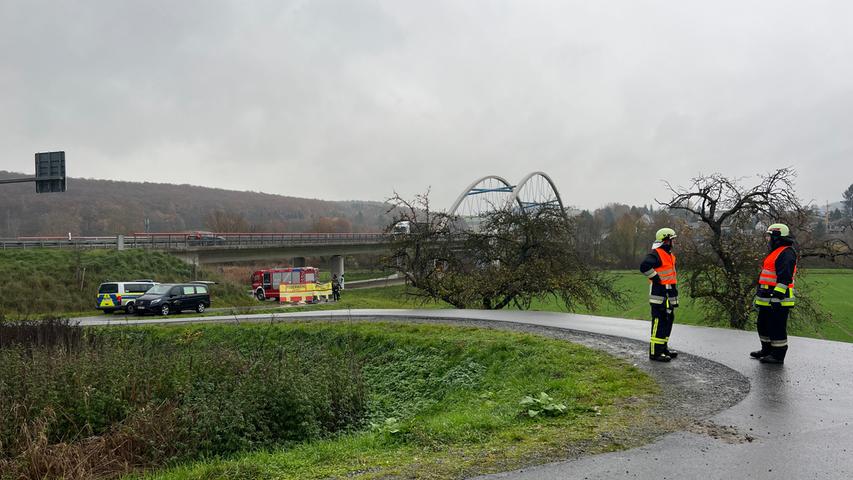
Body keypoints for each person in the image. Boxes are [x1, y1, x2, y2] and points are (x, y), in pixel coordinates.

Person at [751, 223, 798, 364]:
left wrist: (777, 297)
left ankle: (778, 355)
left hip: (779, 300)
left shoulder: (787, 253)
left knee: (776, 327)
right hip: (766, 298)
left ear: (777, 237)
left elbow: (785, 278)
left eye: (770, 236)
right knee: (763, 325)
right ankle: (767, 350)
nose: (768, 239)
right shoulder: (776, 252)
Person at [640, 227, 680, 362]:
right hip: (659, 296)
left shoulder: (669, 255)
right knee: (659, 323)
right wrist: (656, 278)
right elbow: (644, 266)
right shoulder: (656, 254)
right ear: (666, 240)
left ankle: (663, 348)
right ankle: (655, 353)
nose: (674, 242)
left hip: (668, 295)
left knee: (668, 322)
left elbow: (670, 277)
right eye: (672, 239)